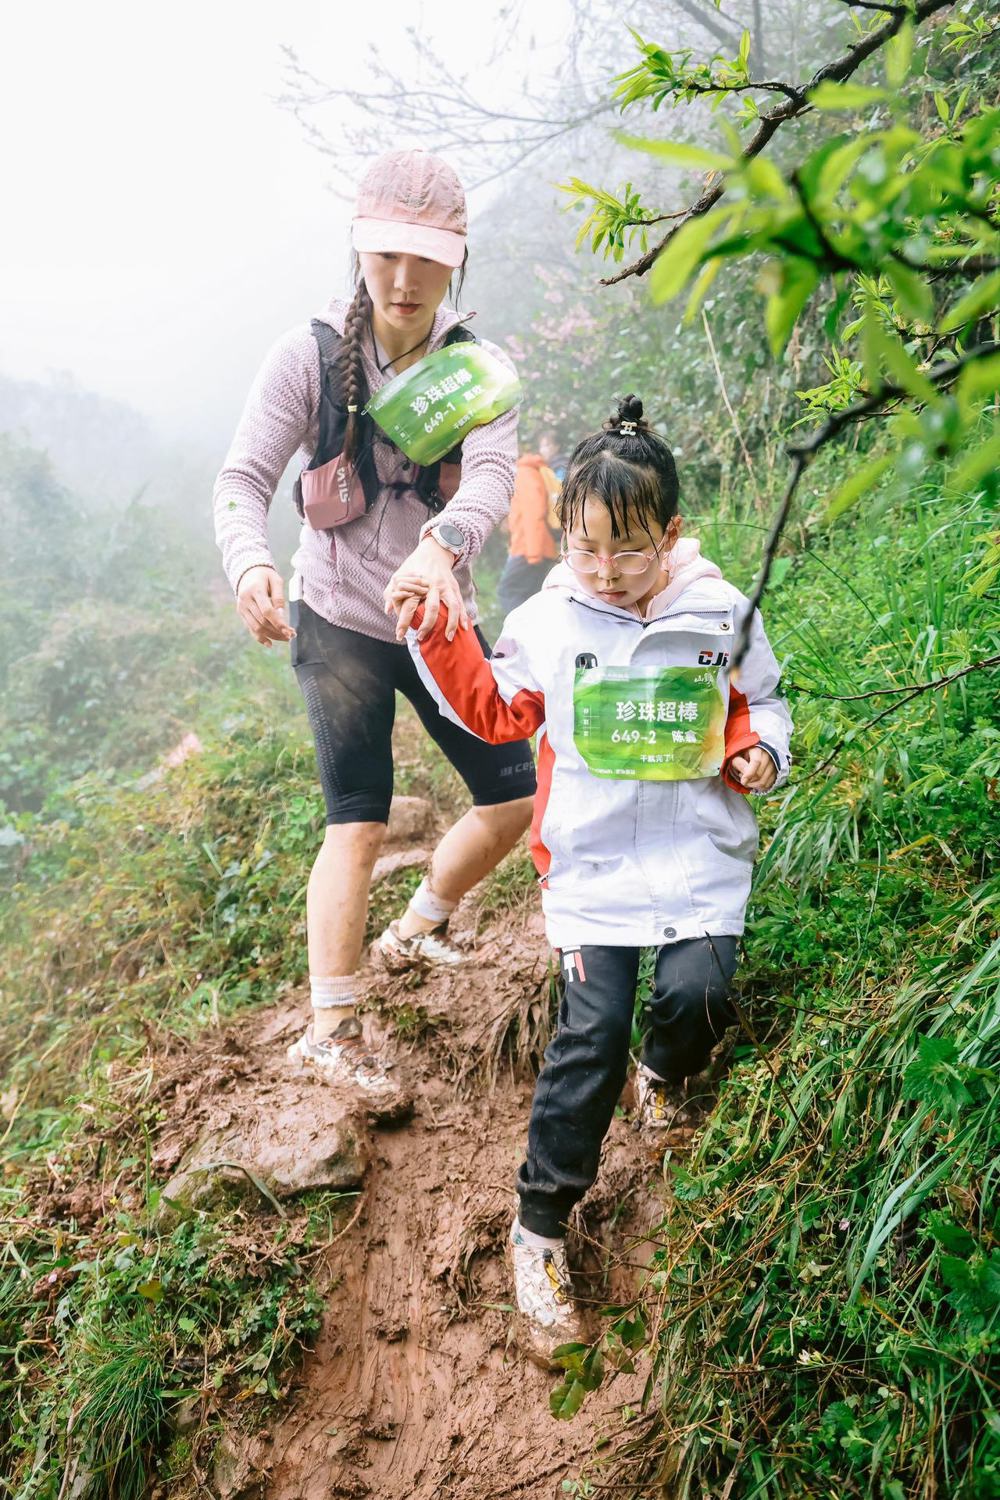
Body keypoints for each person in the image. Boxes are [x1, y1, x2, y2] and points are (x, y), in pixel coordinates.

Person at [390, 394, 792, 1363]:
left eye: (629, 550)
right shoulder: (546, 620)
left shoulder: (721, 613)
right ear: (563, 536)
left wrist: (758, 756)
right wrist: (439, 630)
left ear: (672, 534)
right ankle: (540, 1229)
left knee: (698, 994)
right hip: (592, 868)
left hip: (697, 852)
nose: (605, 572)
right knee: (592, 1033)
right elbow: (493, 710)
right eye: (584, 549)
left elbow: (761, 704)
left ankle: (665, 1077)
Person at [213, 149, 536, 1113]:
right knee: (356, 819)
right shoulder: (307, 357)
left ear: (458, 260)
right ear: (359, 251)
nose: (403, 279)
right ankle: (332, 1031)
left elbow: (488, 474)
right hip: (340, 615)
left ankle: (425, 922)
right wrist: (252, 562)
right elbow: (242, 481)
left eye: (427, 259)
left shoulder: (476, 367)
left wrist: (443, 547)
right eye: (386, 255)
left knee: (514, 795)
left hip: (438, 616)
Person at [495, 440, 561, 616]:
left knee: (508, 591)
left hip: (531, 547)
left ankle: (524, 635)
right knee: (530, 597)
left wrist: (533, 553)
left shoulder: (524, 473)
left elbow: (534, 513)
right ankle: (537, 637)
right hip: (536, 546)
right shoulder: (532, 471)